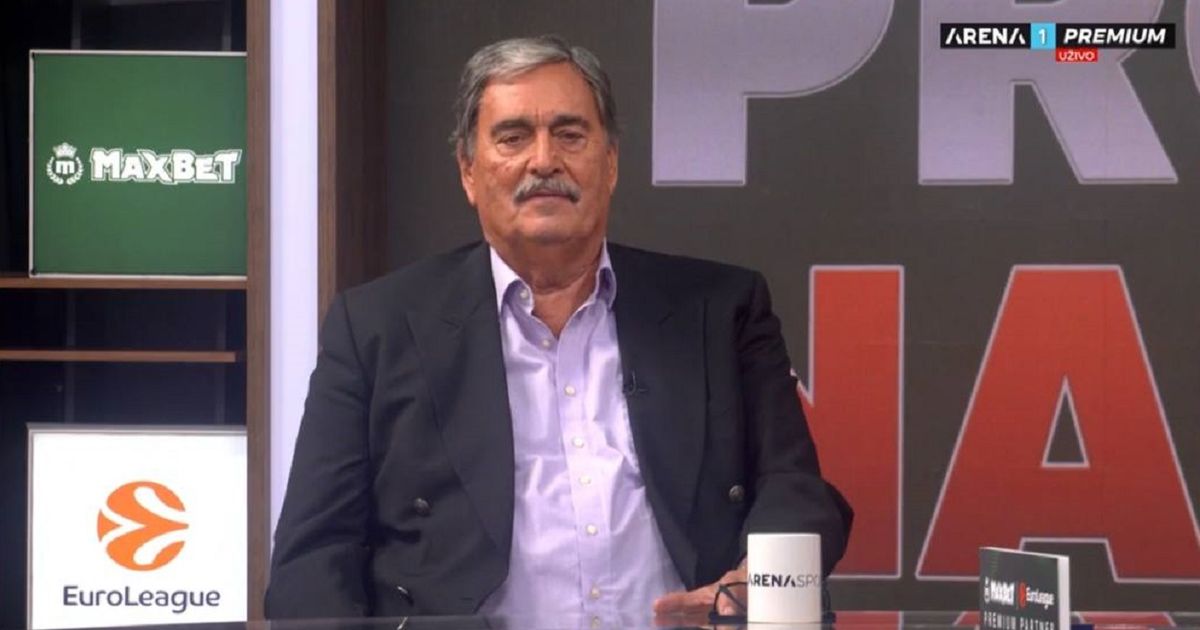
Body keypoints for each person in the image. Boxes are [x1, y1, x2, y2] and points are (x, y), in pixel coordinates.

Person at [265, 34, 852, 624]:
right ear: (469, 172)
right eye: (513, 137)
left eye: (570, 135)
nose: (543, 160)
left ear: (610, 163)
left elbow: (794, 490)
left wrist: (756, 586)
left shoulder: (721, 310)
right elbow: (313, 560)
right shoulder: (377, 327)